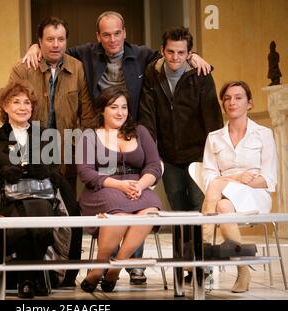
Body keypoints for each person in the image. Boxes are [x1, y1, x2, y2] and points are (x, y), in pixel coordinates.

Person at [23, 11, 211, 284]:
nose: (112, 39)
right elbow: (56, 47)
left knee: (140, 197)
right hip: (100, 136)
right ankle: (107, 266)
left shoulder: (143, 54)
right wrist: (33, 47)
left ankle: (129, 265)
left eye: (117, 33)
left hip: (131, 133)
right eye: (106, 34)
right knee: (120, 205)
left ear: (125, 33)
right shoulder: (85, 54)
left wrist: (193, 56)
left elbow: (173, 56)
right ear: (98, 36)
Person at [0, 80, 79, 298]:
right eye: (16, 102)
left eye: (27, 103)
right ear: (5, 107)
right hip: (7, 202)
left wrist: (44, 171)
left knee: (38, 212)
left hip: (41, 197)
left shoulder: (45, 136)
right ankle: (34, 277)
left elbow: (57, 177)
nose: (23, 107)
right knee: (30, 219)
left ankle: (27, 279)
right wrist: (4, 174)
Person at [139, 27, 223, 282]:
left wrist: (214, 158)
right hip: (169, 157)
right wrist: (153, 156)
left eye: (182, 53)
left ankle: (203, 267)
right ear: (162, 50)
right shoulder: (152, 74)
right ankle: (184, 265)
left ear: (189, 53)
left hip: (199, 154)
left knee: (199, 209)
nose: (176, 58)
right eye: (171, 52)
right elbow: (147, 116)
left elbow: (213, 120)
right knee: (178, 211)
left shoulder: (201, 74)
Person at [76, 85, 162, 293]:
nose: (120, 112)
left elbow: (153, 165)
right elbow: (85, 172)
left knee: (151, 210)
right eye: (114, 107)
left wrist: (141, 185)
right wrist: (119, 185)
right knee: (118, 210)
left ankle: (116, 266)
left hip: (137, 187)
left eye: (124, 107)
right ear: (102, 110)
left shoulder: (140, 131)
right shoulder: (88, 135)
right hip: (103, 187)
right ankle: (99, 266)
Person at [201, 80, 278, 293]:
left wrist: (237, 181)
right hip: (222, 197)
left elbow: (269, 179)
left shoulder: (263, 134)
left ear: (250, 103)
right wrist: (236, 178)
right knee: (223, 206)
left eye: (238, 97)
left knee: (217, 188)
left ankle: (203, 250)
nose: (232, 102)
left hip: (255, 195)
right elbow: (208, 176)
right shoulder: (214, 138)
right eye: (227, 98)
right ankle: (243, 269)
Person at [9, 16, 95, 193]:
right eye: (50, 39)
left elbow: (87, 114)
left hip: (66, 149)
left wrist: (84, 148)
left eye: (61, 39)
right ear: (39, 41)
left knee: (67, 207)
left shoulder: (77, 68)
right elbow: (10, 108)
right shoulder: (23, 68)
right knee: (36, 205)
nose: (56, 45)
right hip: (31, 149)